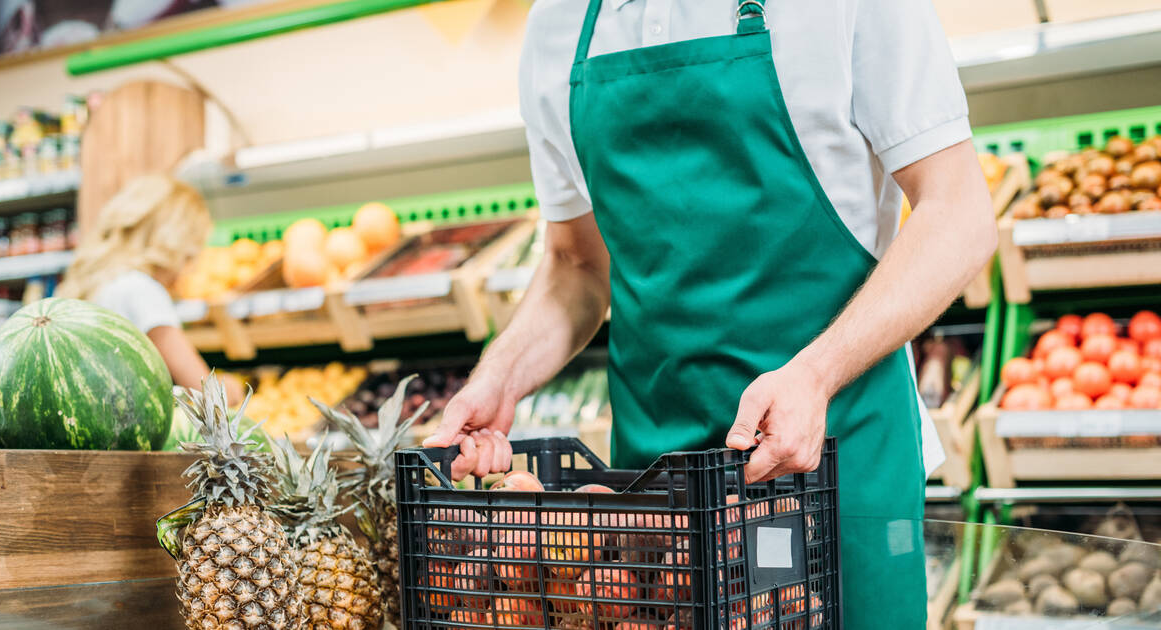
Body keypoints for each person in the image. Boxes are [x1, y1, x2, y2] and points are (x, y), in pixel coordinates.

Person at [424, 0, 997, 626]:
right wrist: (499, 377)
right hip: (652, 494)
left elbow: (959, 214)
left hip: (835, 460)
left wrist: (816, 374)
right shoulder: (557, 24)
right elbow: (578, 265)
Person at [57, 175, 244, 405]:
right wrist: (236, 389)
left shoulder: (95, 284)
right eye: (189, 254)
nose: (188, 266)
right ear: (173, 241)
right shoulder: (141, 290)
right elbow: (208, 394)